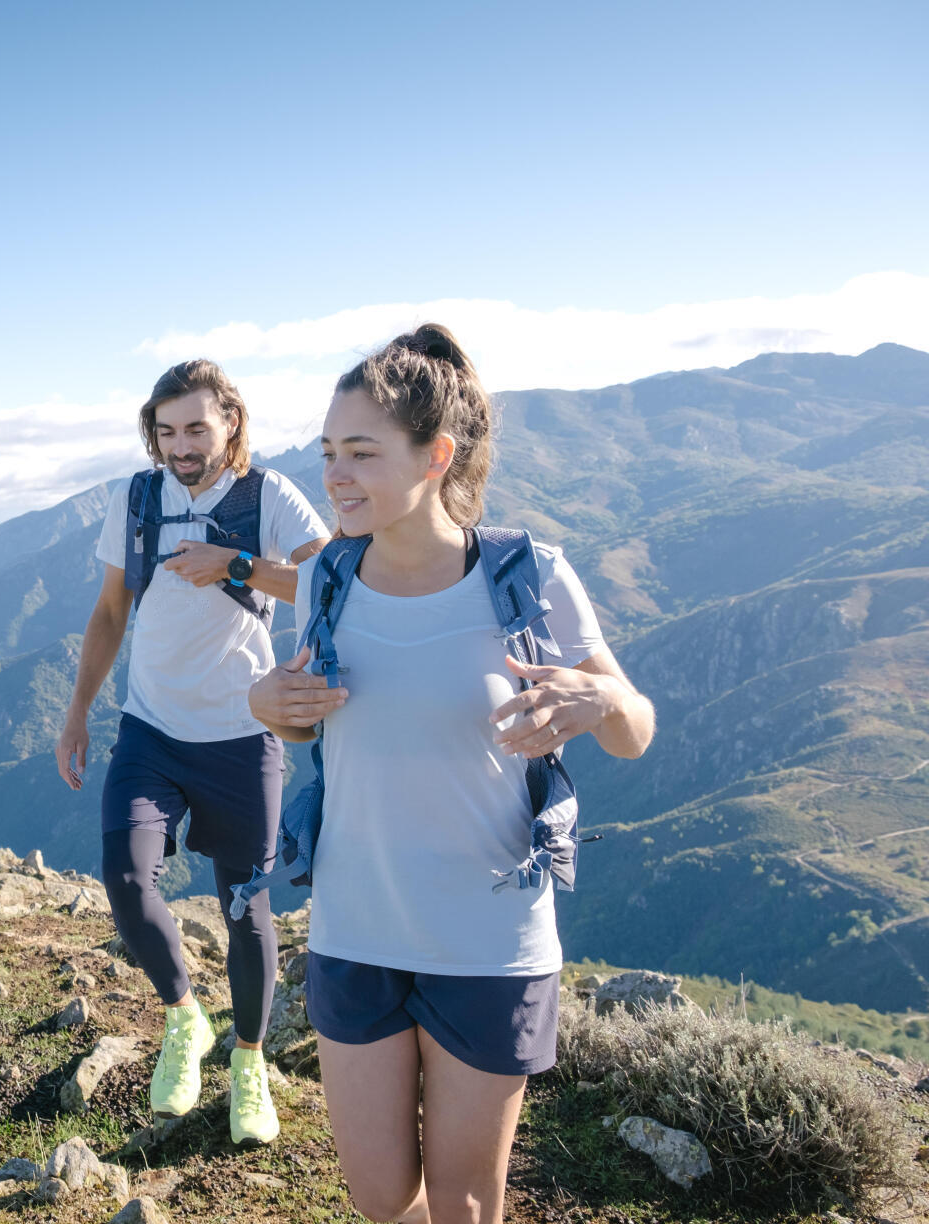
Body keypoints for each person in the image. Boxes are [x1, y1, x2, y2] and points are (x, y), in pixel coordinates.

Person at [248, 324, 655, 1223]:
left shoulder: (529, 576)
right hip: (355, 926)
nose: (335, 476)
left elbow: (636, 729)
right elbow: (290, 696)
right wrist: (264, 705)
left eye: (360, 452)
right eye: (327, 453)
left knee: (465, 1207)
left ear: (436, 456)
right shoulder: (330, 579)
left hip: (491, 940)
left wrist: (597, 702)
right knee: (382, 1197)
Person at [57, 358, 330, 1146]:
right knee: (125, 878)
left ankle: (247, 1062)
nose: (180, 445)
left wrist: (234, 563)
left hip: (245, 737)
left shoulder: (267, 497)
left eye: (196, 428)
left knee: (244, 905)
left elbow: (331, 584)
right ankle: (185, 1021)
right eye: (167, 430)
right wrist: (77, 713)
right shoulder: (138, 498)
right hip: (149, 730)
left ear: (230, 423)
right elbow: (111, 611)